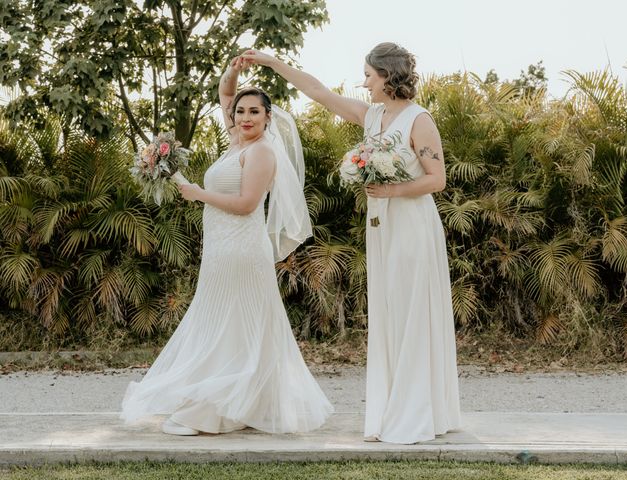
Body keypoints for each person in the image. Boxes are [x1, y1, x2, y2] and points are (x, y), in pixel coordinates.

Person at [242, 42, 461, 444]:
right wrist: (273, 62)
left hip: (411, 224)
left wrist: (392, 191)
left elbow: (437, 179)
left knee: (410, 311)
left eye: (368, 76)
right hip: (381, 225)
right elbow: (318, 92)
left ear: (388, 77)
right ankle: (392, 406)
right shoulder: (371, 115)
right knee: (389, 311)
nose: (364, 84)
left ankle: (415, 413)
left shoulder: (419, 119)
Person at [120, 56, 333, 436]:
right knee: (225, 322)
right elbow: (225, 91)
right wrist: (236, 67)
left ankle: (215, 411)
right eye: (240, 111)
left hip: (242, 249)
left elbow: (247, 204)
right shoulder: (237, 140)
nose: (245, 117)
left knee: (231, 323)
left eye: (255, 111)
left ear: (269, 117)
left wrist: (198, 193)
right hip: (220, 249)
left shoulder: (262, 151)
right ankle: (238, 402)